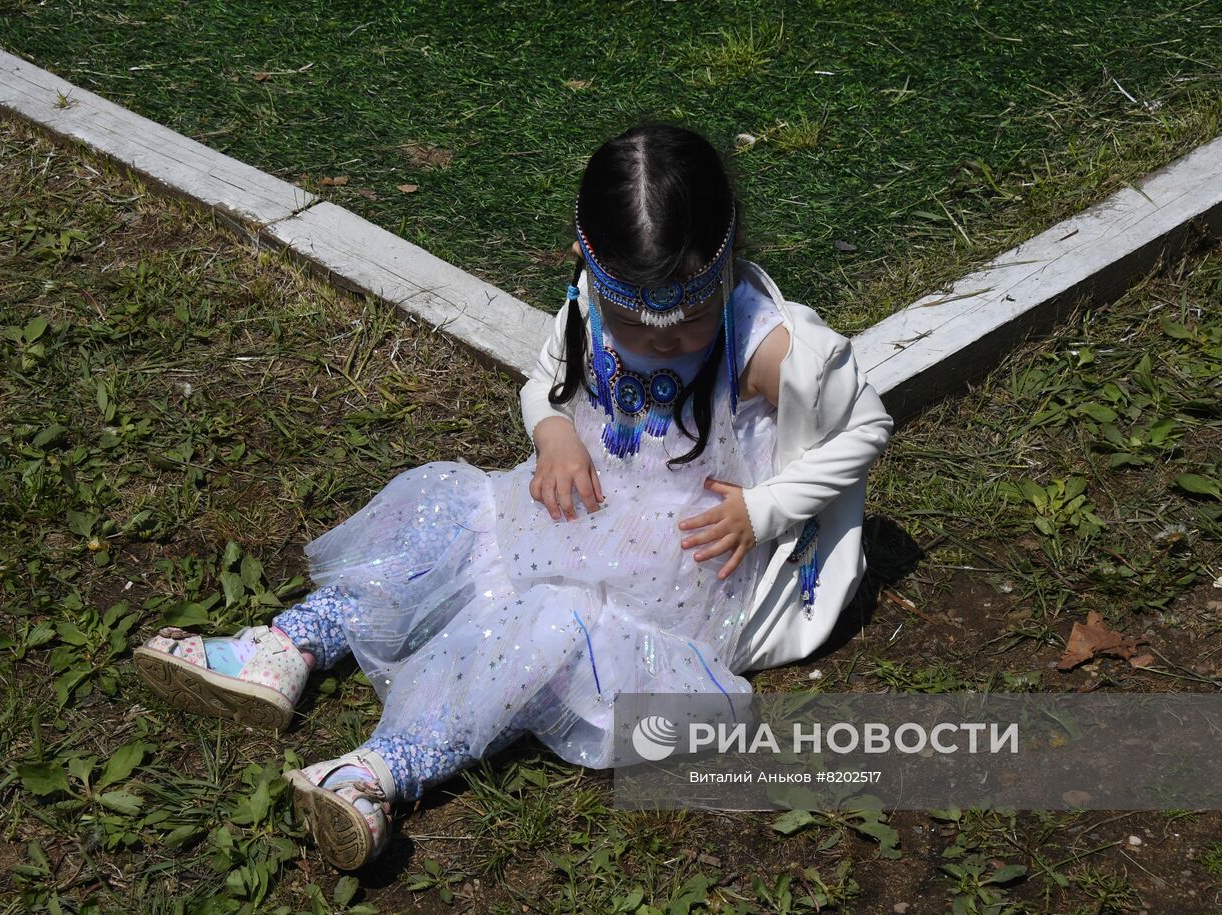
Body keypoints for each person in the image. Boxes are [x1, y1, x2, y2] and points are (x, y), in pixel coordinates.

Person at [132, 122, 894, 870]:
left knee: (549, 622)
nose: (665, 342)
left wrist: (765, 509)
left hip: (683, 573)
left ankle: (378, 771)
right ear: (586, 267)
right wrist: (553, 431)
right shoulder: (591, 303)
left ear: (724, 268)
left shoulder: (769, 345)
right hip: (581, 510)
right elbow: (545, 377)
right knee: (448, 510)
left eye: (690, 320)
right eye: (637, 324)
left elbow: (867, 424)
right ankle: (289, 645)